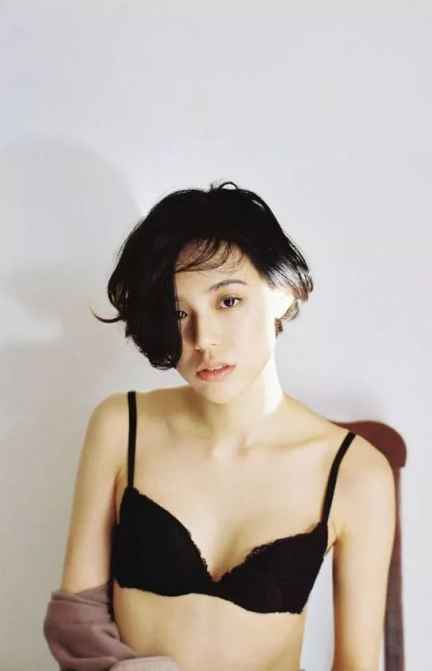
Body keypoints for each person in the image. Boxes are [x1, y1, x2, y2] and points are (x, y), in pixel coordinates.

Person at [58, 181, 396, 671]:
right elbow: (76, 623)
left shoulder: (355, 472)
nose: (203, 339)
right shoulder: (121, 426)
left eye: (228, 301)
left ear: (283, 293)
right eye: (178, 312)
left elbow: (356, 665)